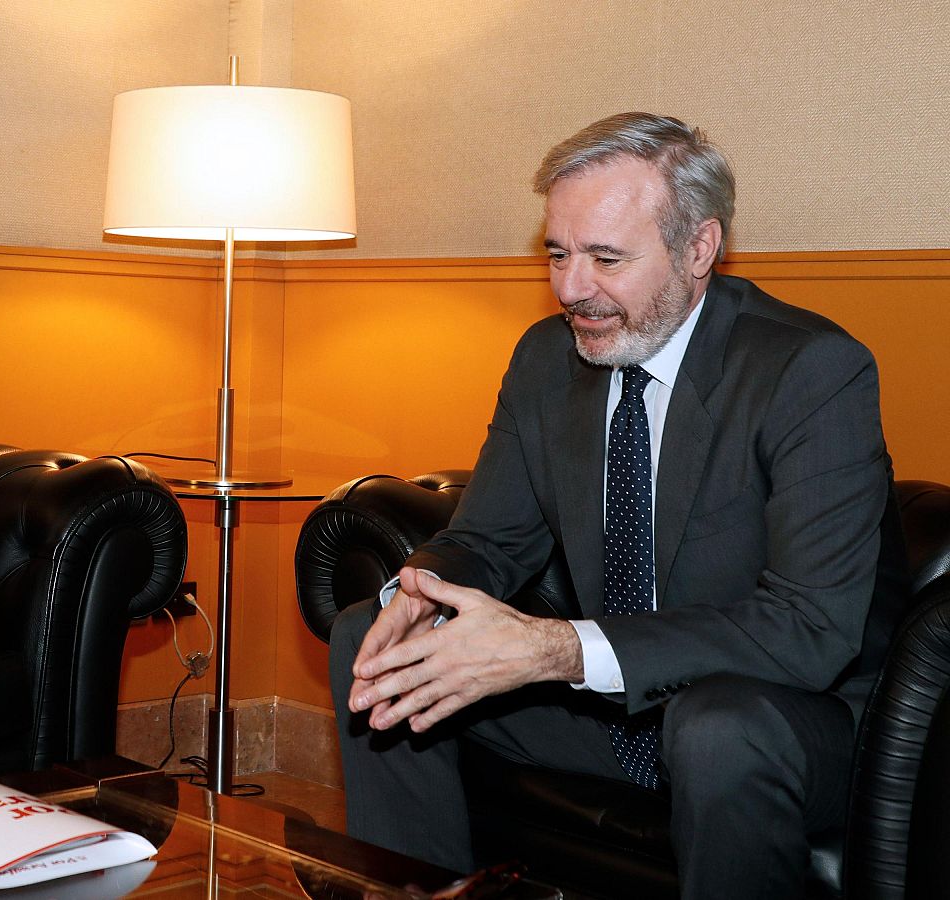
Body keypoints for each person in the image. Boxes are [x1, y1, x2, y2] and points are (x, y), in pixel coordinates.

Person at [330, 112, 905, 899]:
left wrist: (559, 648)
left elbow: (809, 632)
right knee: (376, 641)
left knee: (717, 725)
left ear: (699, 250)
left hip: (788, 720)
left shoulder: (809, 370)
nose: (572, 288)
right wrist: (417, 592)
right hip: (619, 712)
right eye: (559, 254)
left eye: (607, 258)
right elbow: (490, 541)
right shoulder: (546, 357)